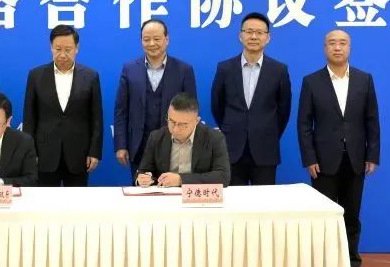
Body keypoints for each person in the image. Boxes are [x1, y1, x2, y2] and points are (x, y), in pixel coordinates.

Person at [297, 29, 380, 267]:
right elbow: (304, 124)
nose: (337, 47)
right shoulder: (312, 81)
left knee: (351, 216)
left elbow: (372, 120)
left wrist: (372, 154)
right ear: (325, 48)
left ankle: (352, 266)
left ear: (349, 48)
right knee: (323, 218)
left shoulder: (364, 80)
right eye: (332, 43)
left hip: (355, 159)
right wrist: (309, 158)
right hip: (322, 162)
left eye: (342, 43)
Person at [211, 12, 291, 185]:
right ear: (240, 36)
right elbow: (217, 106)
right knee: (233, 200)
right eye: (249, 31)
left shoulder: (279, 70)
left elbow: (284, 111)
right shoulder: (225, 68)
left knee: (264, 201)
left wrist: (267, 131)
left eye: (259, 32)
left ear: (268, 38)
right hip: (232, 148)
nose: (254, 36)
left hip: (265, 149)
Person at [113, 18, 197, 179]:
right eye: (146, 39)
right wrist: (121, 145)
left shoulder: (184, 70)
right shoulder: (129, 69)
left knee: (172, 191)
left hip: (175, 144)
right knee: (141, 190)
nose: (152, 43)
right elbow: (120, 111)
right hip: (139, 145)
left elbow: (191, 110)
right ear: (141, 41)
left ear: (167, 39)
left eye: (157, 39)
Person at [22, 24, 103, 186]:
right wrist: (30, 152)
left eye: (68, 49)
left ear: (77, 48)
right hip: (45, 153)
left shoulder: (90, 76)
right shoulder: (36, 76)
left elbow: (96, 118)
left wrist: (94, 152)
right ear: (51, 47)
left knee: (76, 201)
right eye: (58, 49)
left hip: (78, 154)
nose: (63, 55)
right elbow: (29, 118)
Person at [134, 93, 230, 187]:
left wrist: (181, 180)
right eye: (171, 121)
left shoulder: (214, 138)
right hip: (166, 194)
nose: (175, 129)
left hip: (196, 196)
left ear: (196, 121)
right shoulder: (156, 137)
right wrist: (142, 179)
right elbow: (143, 171)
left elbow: (223, 176)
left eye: (182, 124)